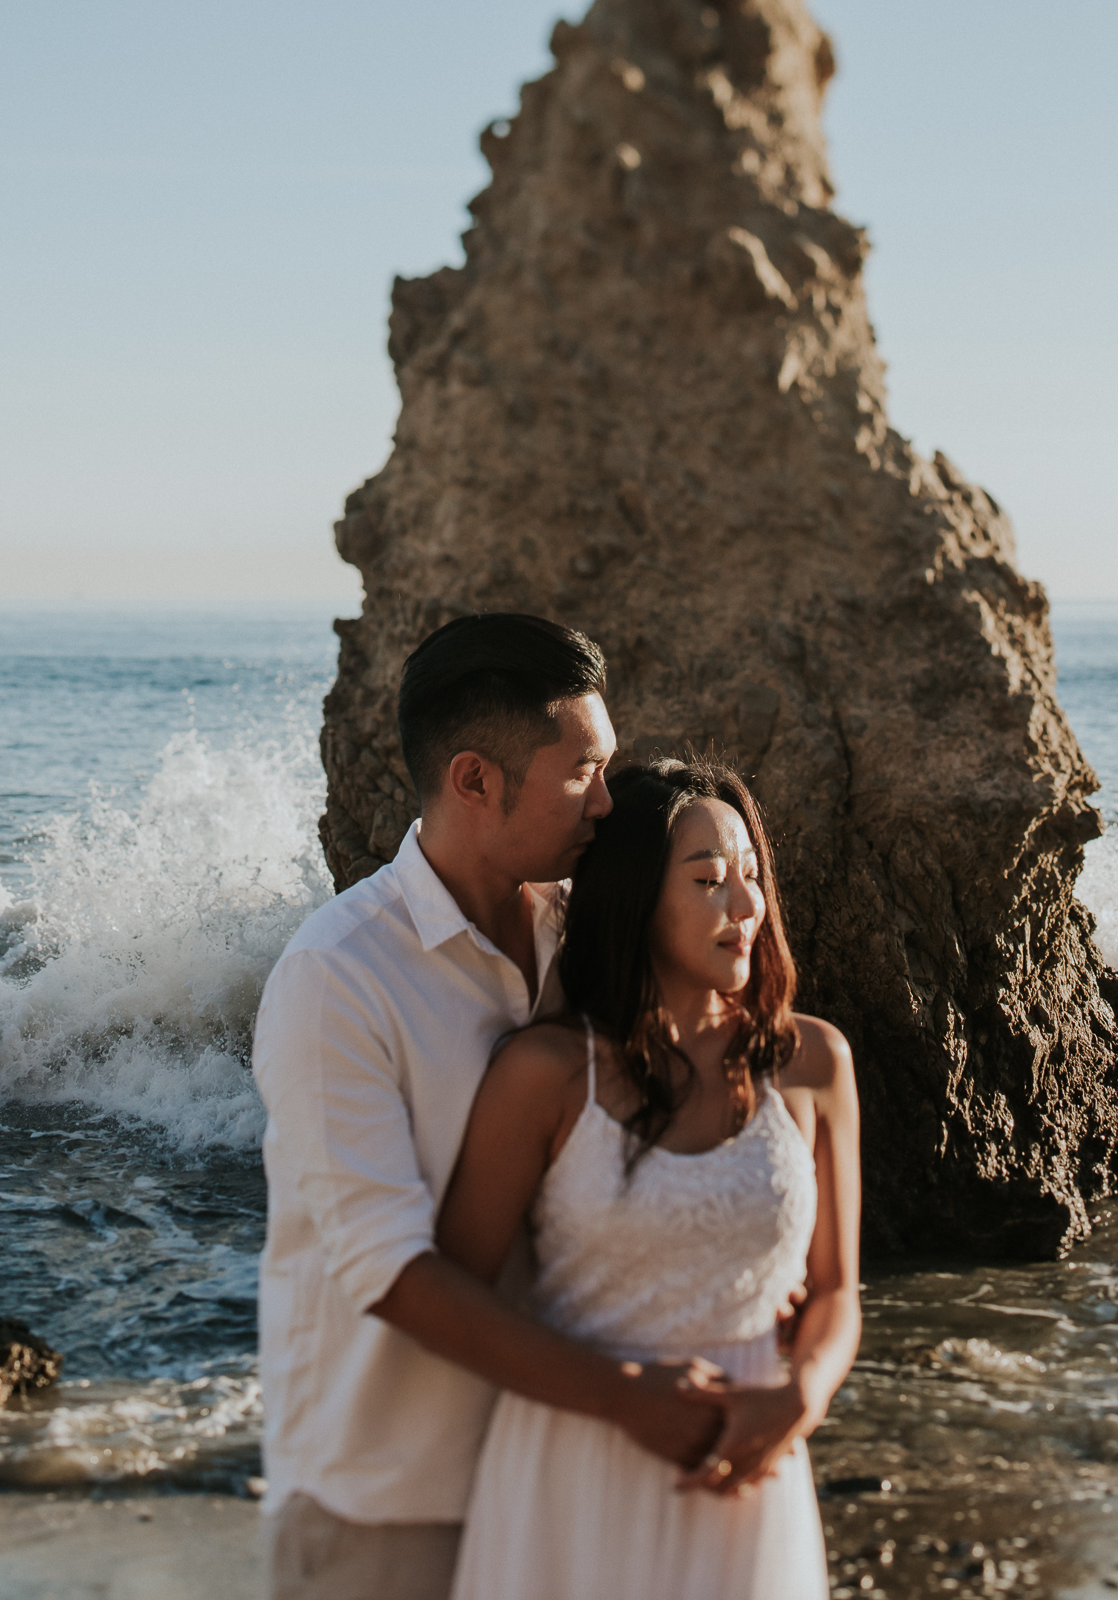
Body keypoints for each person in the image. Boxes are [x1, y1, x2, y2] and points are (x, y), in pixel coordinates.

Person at [252, 615, 731, 1600]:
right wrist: (629, 1399)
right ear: (475, 779)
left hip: (568, 1475)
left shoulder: (589, 936)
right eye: (581, 772)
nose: (608, 803)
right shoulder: (338, 977)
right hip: (390, 1498)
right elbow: (389, 1269)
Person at [437, 758, 863, 1600]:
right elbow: (456, 1290)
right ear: (635, 898)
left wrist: (800, 1398)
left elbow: (836, 1292)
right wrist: (622, 1395)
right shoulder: (547, 1073)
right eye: (709, 880)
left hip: (747, 1470)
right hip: (573, 1466)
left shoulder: (812, 1062)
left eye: (750, 877)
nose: (745, 907)